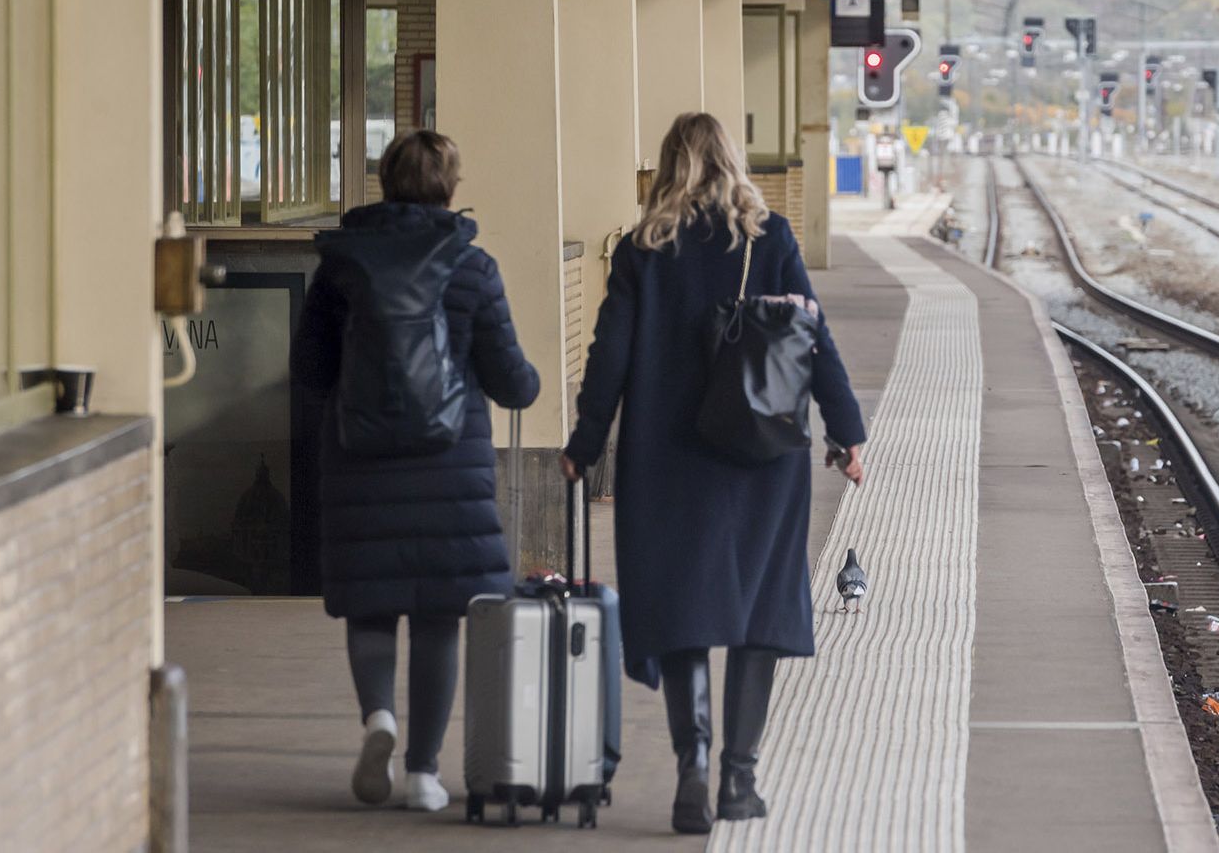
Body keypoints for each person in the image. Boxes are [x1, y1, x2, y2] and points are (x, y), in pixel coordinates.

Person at [562, 112, 866, 834]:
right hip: (765, 455)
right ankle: (739, 779)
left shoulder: (645, 249)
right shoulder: (772, 238)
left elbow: (609, 355)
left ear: (670, 168)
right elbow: (814, 339)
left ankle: (692, 764)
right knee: (759, 609)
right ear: (734, 162)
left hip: (669, 458)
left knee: (683, 607)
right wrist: (847, 432)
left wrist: (583, 441)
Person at [292, 130, 540, 812]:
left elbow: (307, 372)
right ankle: (424, 773)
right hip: (448, 468)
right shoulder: (471, 266)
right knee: (438, 615)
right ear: (450, 187)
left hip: (360, 466)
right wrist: (530, 383)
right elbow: (510, 380)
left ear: (385, 181)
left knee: (372, 605)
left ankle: (379, 717)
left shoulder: (341, 266)